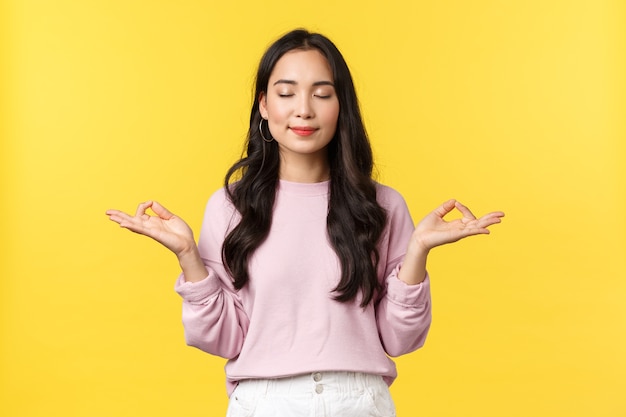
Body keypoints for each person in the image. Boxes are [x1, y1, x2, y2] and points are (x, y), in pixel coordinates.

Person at [106, 29, 504, 417]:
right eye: (285, 93)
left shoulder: (381, 205)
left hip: (359, 402)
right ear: (264, 105)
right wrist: (189, 257)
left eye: (322, 93)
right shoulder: (230, 206)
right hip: (264, 402)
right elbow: (221, 339)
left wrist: (417, 252)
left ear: (341, 105)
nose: (304, 109)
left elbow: (401, 340)